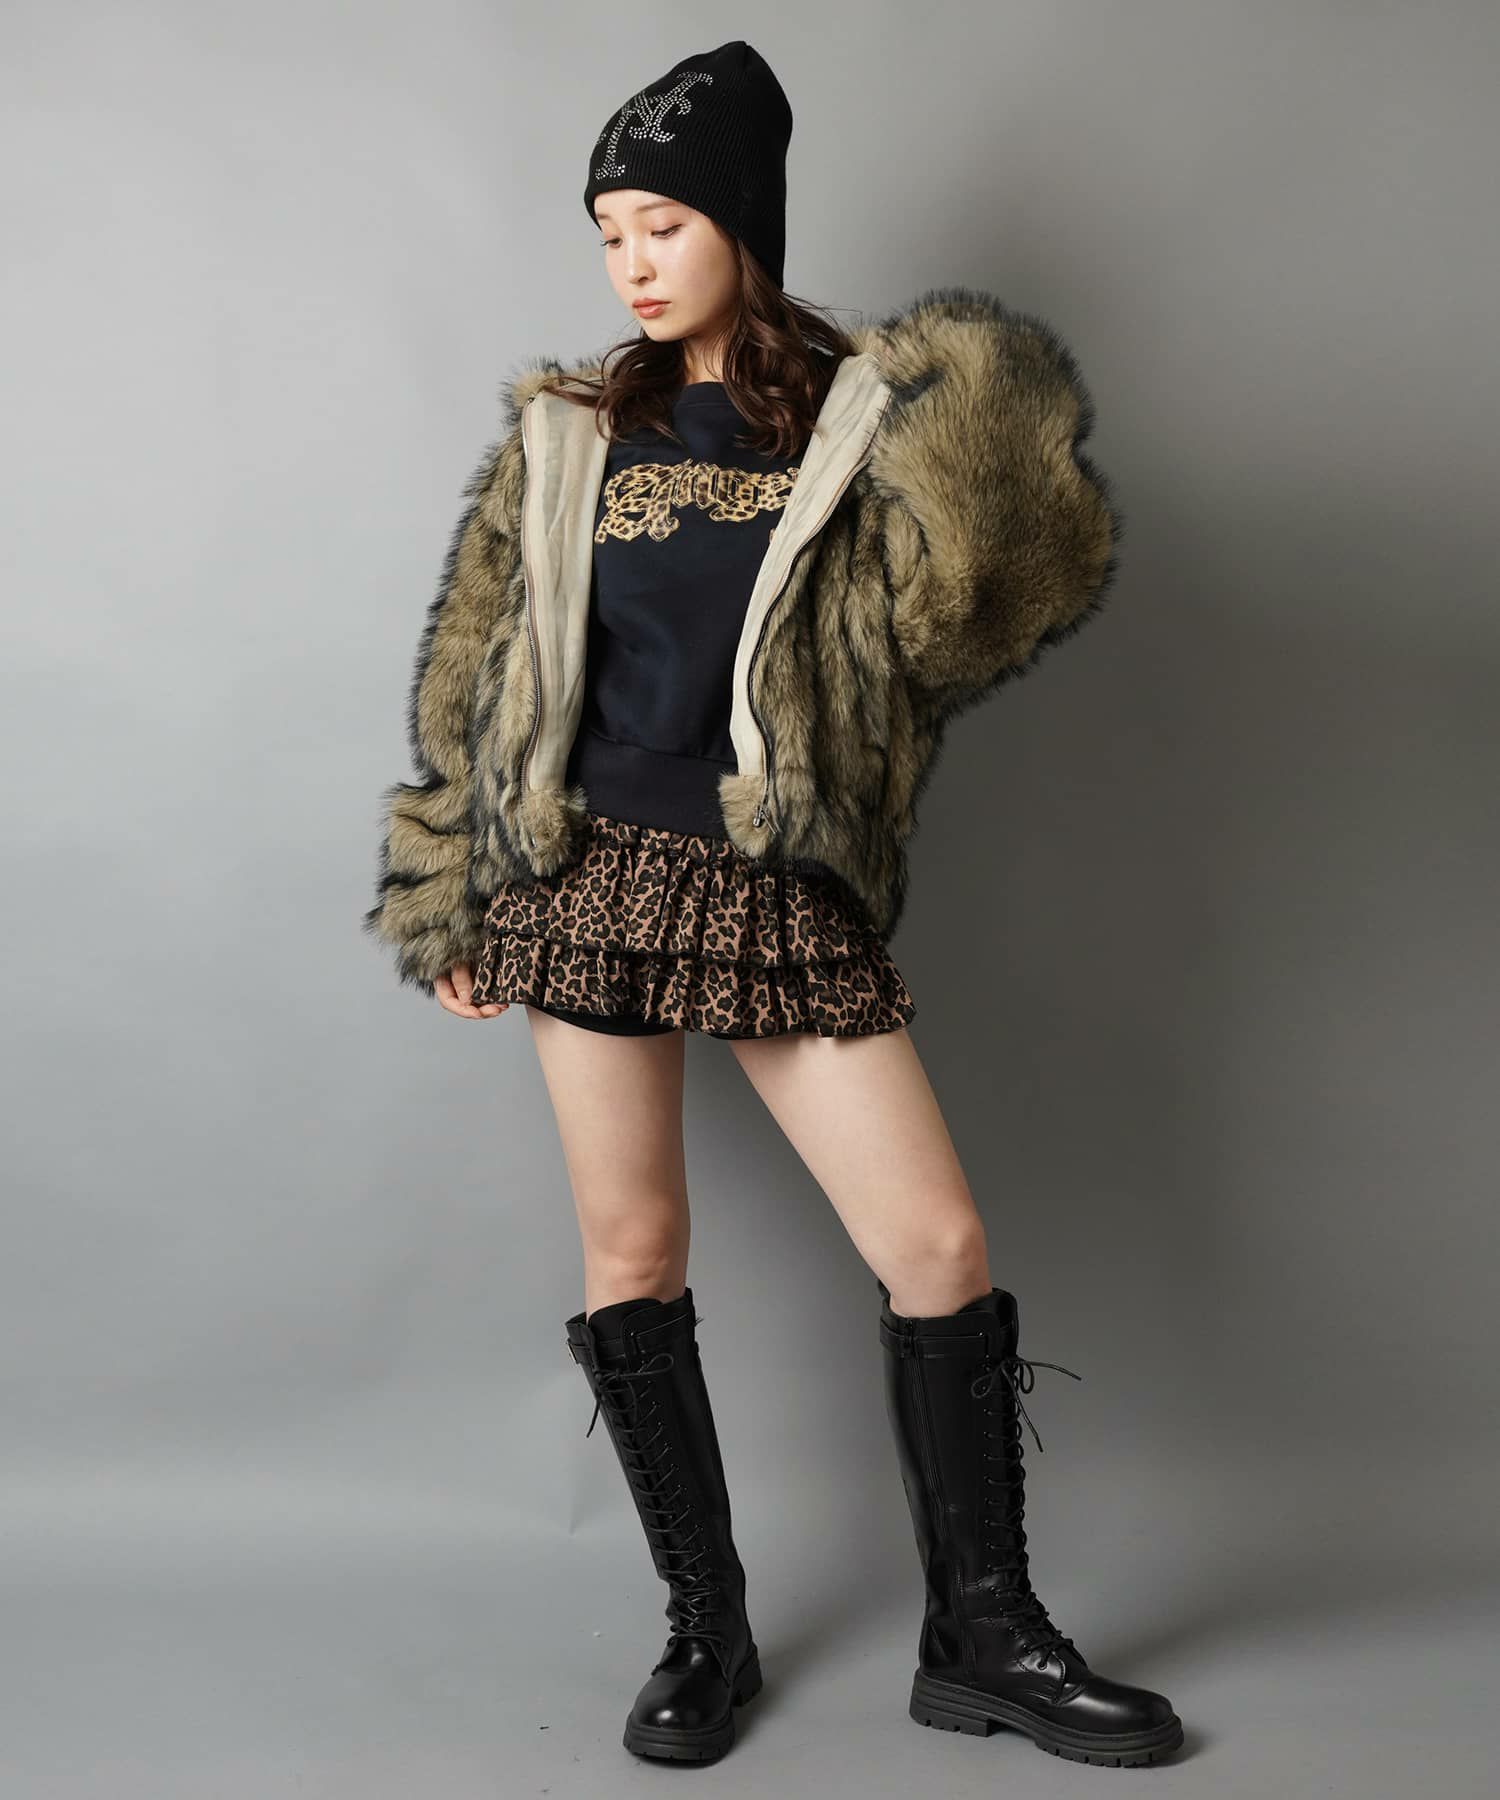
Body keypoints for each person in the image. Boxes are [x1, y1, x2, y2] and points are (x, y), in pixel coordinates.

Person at [362, 36, 1182, 1773]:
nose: (632, 262)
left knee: (936, 1248)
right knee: (634, 1254)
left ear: (745, 221)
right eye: (609, 233)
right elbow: (487, 673)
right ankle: (704, 1629)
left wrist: (975, 413)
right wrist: (454, 885)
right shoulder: (570, 434)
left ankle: (983, 1632)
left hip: (769, 884)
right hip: (583, 877)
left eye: (662, 223)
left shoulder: (867, 424)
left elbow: (981, 620)